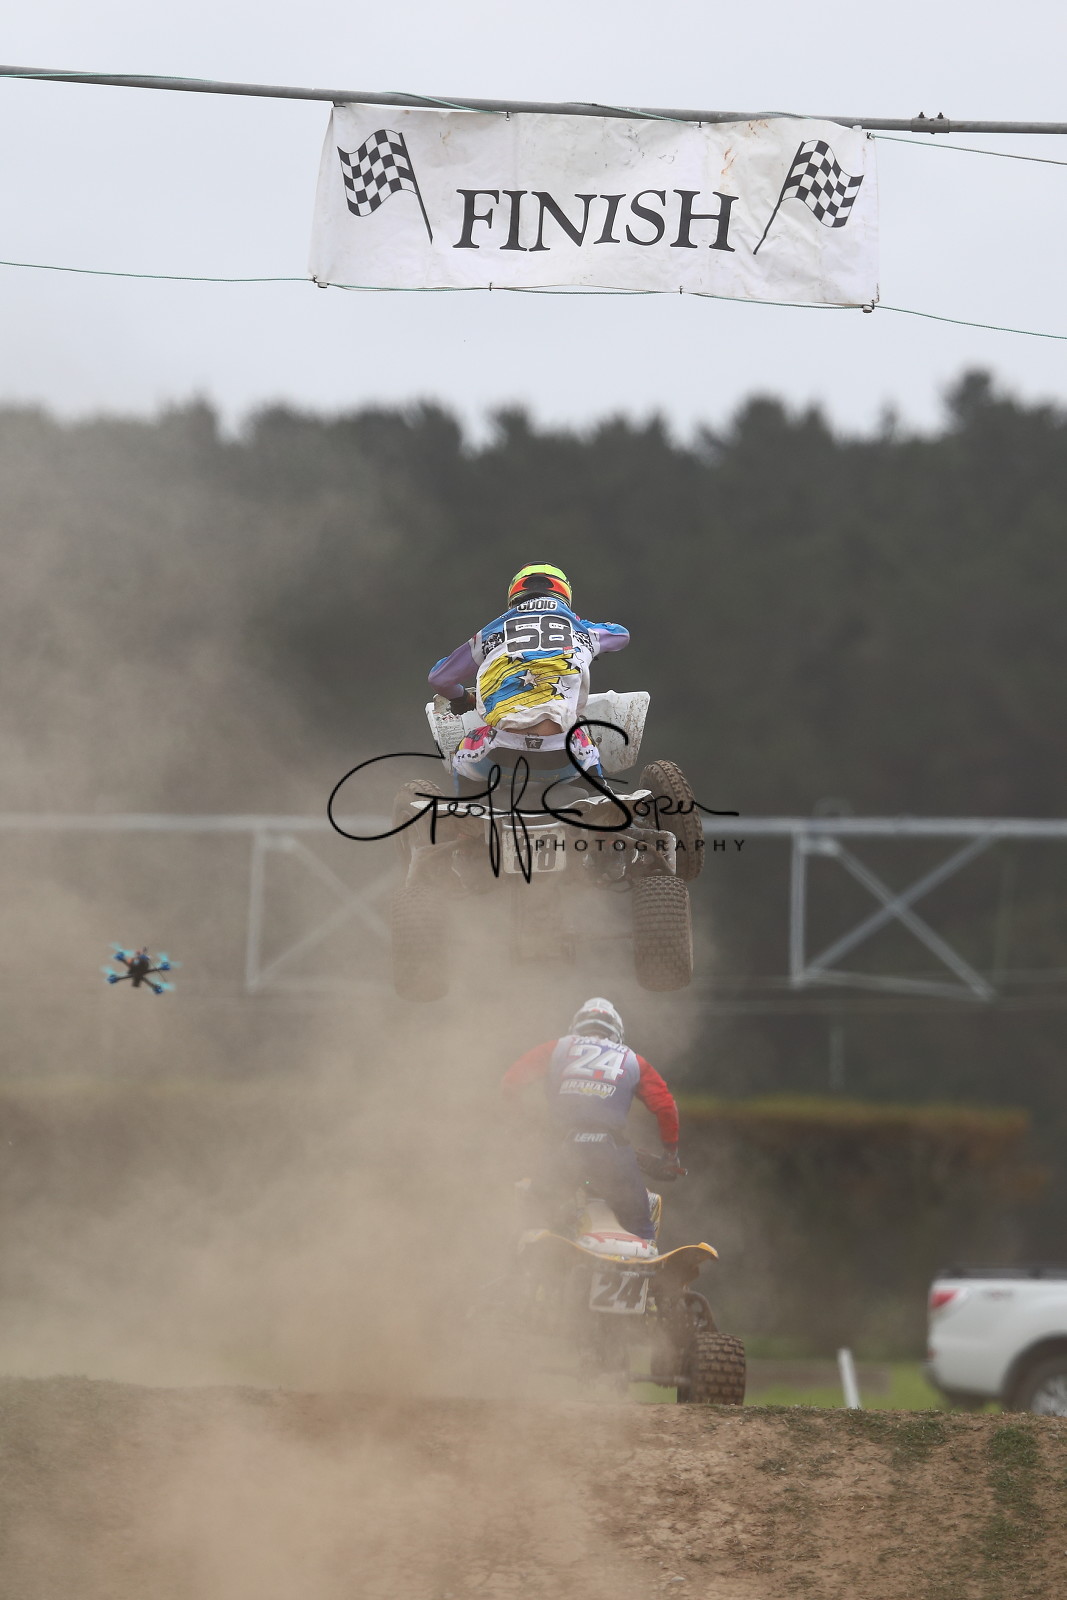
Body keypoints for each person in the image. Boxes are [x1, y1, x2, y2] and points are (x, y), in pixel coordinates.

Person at [428, 563, 629, 794]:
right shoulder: (582, 631)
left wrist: (462, 697)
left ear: (514, 596)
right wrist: (579, 627)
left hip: (499, 757)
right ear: (565, 594)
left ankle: (466, 811)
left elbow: (439, 678)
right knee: (583, 737)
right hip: (563, 757)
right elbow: (621, 635)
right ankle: (601, 796)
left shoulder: (492, 633)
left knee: (465, 746)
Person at [501, 997, 683, 1244]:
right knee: (641, 1225)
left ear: (576, 1028)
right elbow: (666, 1107)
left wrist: (522, 1126)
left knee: (534, 1217)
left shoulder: (557, 1047)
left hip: (563, 1148)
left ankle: (527, 1262)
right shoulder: (632, 1059)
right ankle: (642, 1260)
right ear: (617, 1033)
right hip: (611, 1152)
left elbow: (511, 1083)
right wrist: (670, 1155)